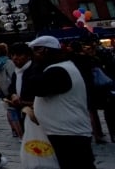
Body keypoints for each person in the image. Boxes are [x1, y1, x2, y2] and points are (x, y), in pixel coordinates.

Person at [25, 35, 95, 169]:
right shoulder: (62, 66)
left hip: (68, 133)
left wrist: (34, 66)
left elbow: (33, 87)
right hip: (64, 131)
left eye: (35, 52)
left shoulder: (59, 71)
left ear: (44, 51)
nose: (33, 57)